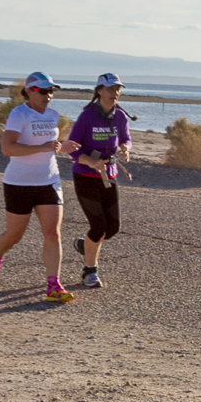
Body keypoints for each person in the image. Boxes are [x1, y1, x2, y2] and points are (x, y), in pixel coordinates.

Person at [0, 71, 76, 303]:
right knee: (14, 237)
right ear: (29, 91)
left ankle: (54, 285)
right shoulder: (19, 113)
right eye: (44, 91)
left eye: (52, 91)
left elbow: (50, 146)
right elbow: (8, 148)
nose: (49, 96)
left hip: (49, 180)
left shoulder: (53, 115)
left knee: (53, 233)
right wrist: (43, 147)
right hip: (19, 183)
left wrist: (61, 146)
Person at [67, 72, 135, 289]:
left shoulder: (120, 116)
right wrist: (90, 162)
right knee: (98, 226)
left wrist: (125, 148)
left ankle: (85, 245)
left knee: (112, 228)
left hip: (110, 175)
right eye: (111, 89)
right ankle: (90, 270)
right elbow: (72, 149)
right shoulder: (87, 117)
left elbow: (126, 138)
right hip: (86, 176)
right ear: (99, 91)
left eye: (118, 89)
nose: (115, 93)